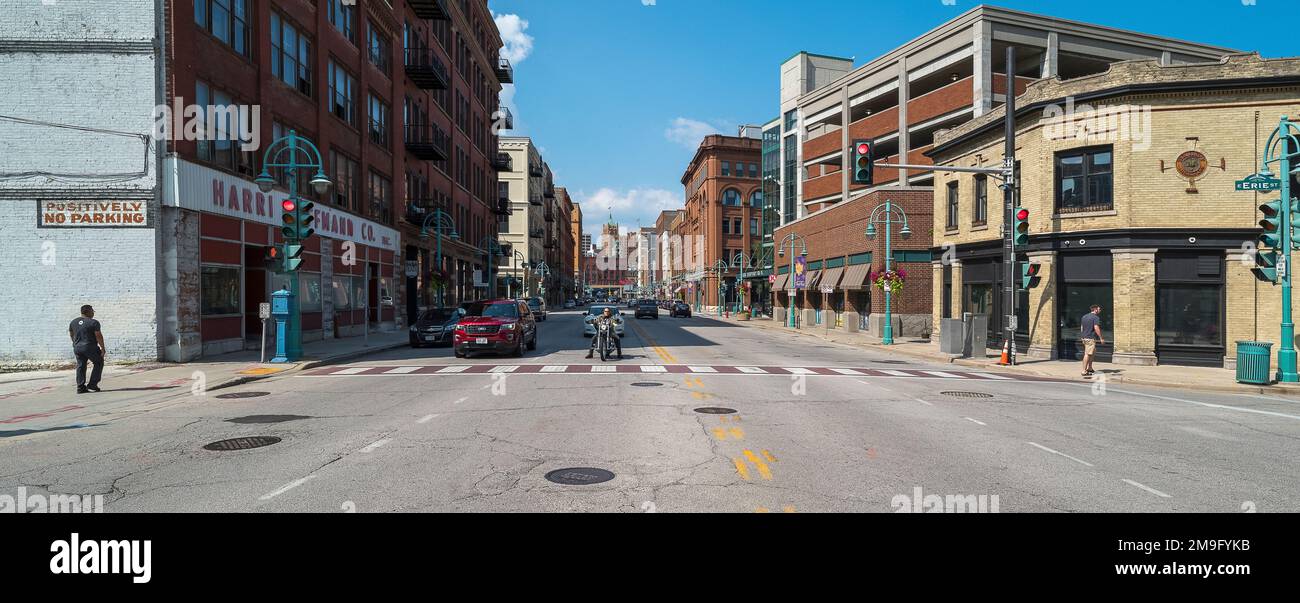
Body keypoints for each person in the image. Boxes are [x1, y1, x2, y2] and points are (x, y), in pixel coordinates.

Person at [69, 304, 106, 393]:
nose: (93, 313)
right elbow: (98, 336)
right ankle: (92, 385)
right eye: (92, 311)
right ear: (89, 311)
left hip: (77, 348)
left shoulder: (73, 322)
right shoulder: (93, 322)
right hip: (89, 347)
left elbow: (71, 333)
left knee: (81, 365)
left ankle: (80, 387)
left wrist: (74, 343)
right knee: (99, 362)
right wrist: (102, 348)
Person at [1080, 304, 1103, 377]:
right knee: (1087, 354)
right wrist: (1101, 338)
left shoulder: (1084, 316)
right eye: (1099, 309)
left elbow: (1082, 327)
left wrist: (1082, 335)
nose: (1100, 310)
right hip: (1090, 338)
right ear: (1095, 309)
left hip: (1084, 337)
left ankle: (1090, 368)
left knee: (1093, 351)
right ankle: (1084, 370)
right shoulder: (1095, 317)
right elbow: (1096, 328)